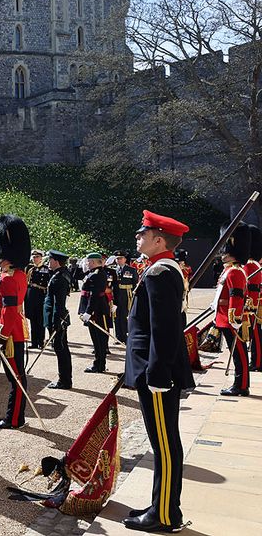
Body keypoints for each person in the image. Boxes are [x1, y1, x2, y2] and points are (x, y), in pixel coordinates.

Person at [123, 210, 193, 533]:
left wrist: (157, 375)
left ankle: (165, 514)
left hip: (158, 377)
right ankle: (161, 503)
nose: (138, 237)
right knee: (164, 444)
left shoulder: (160, 273)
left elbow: (162, 331)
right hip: (156, 372)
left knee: (164, 445)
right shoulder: (161, 270)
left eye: (143, 233)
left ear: (159, 239)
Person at [0, 215, 31, 429]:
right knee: (17, 377)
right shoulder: (18, 275)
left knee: (15, 378)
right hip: (14, 332)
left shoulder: (8, 278)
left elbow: (9, 311)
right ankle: (15, 417)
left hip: (9, 334)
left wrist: (0, 336)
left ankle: (14, 419)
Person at [214, 223, 251, 396]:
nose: (223, 255)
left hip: (231, 320)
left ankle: (241, 385)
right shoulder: (230, 270)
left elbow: (236, 297)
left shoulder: (235, 272)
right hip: (225, 317)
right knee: (237, 353)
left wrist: (234, 320)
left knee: (239, 353)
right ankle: (240, 383)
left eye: (225, 252)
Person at [44, 250, 73, 389]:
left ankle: (64, 381)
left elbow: (58, 303)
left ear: (56, 261)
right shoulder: (61, 274)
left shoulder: (58, 278)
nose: (48, 262)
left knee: (60, 349)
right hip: (57, 317)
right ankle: (65, 379)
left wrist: (57, 322)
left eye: (50, 260)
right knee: (61, 349)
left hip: (57, 318)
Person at [79, 253, 111, 373]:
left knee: (100, 339)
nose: (87, 264)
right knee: (96, 339)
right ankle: (98, 363)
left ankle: (99, 365)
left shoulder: (98, 274)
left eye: (88, 262)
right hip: (94, 311)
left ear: (92, 262)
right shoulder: (93, 273)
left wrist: (88, 311)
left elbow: (95, 295)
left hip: (97, 311)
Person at [243, 226, 262, 373]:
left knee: (256, 335)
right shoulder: (253, 264)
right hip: (256, 304)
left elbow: (253, 289)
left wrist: (250, 307)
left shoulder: (251, 265)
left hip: (255, 307)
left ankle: (257, 361)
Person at [25, 251, 51, 349]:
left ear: (41, 258)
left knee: (40, 320)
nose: (35, 258)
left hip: (40, 295)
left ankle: (41, 341)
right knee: (32, 319)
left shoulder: (46, 269)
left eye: (37, 257)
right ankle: (34, 342)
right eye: (34, 256)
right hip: (31, 296)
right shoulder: (30, 269)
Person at [113, 251, 137, 343]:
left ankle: (126, 335)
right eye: (117, 259)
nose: (119, 260)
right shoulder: (113, 270)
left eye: (121, 258)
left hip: (127, 294)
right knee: (116, 315)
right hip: (116, 294)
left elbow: (135, 283)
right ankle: (118, 336)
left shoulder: (131, 270)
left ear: (125, 259)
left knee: (125, 315)